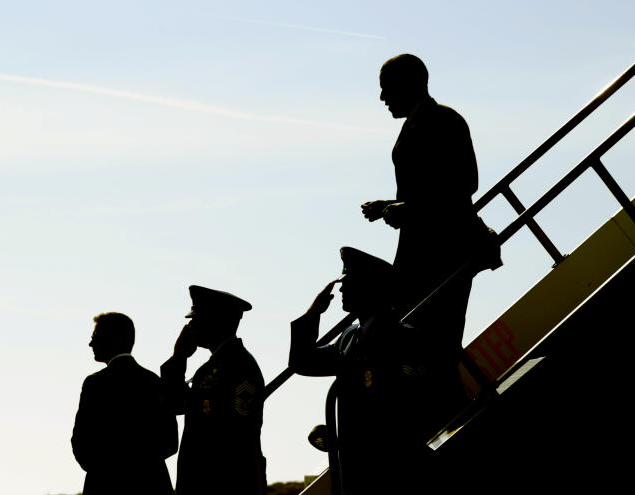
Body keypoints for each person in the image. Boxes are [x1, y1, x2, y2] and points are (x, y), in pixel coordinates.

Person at [290, 247, 445, 495]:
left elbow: (418, 408)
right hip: (357, 472)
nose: (340, 289)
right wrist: (312, 314)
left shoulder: (401, 338)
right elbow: (303, 362)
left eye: (349, 283)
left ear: (370, 287)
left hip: (393, 472)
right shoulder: (350, 337)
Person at [361, 53, 479, 356]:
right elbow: (431, 189)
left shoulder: (445, 120)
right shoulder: (413, 125)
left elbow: (464, 184)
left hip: (444, 250)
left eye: (387, 87)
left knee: (436, 339)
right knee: (417, 338)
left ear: (408, 84)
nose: (382, 96)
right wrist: (389, 205)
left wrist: (409, 209)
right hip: (420, 251)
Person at [161, 286, 266, 495]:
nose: (190, 325)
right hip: (207, 480)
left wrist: (179, 358)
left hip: (225, 482)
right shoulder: (213, 367)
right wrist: (178, 358)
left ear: (217, 321)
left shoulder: (239, 365)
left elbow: (237, 434)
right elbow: (176, 404)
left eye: (197, 318)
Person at [71, 312, 177, 495]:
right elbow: (170, 442)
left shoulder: (96, 384)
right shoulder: (154, 382)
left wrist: (104, 471)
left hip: (105, 486)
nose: (91, 343)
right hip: (152, 485)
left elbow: (81, 443)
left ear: (115, 339)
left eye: (96, 337)